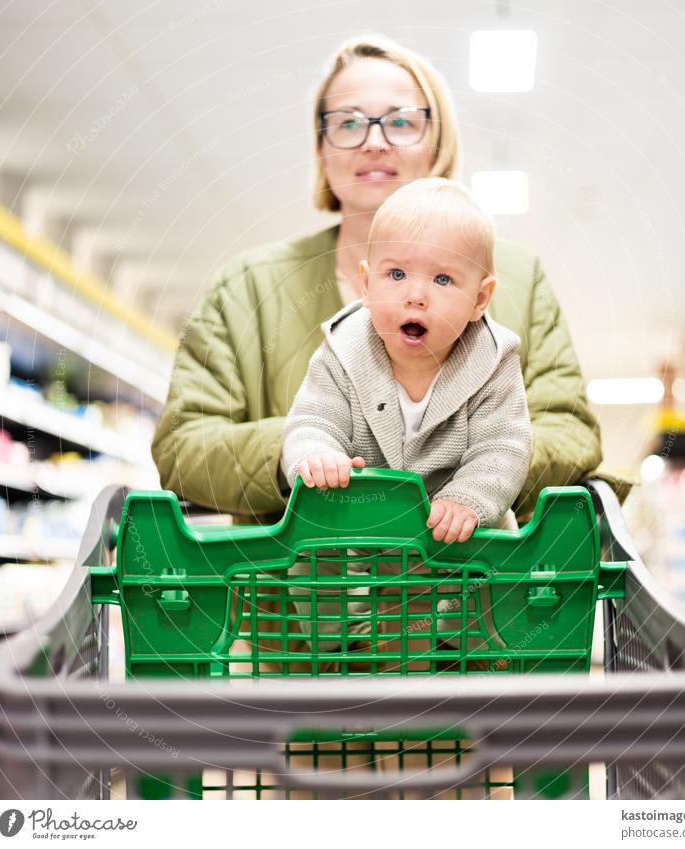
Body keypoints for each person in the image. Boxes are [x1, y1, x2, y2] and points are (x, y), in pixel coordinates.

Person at [151, 33, 620, 526]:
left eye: (400, 121)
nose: (374, 140)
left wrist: (473, 476)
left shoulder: (519, 279)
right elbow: (182, 447)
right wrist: (308, 447)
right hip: (291, 599)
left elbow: (570, 433)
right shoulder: (245, 289)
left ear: (437, 143)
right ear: (321, 147)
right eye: (348, 122)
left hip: (471, 591)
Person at [281, 177, 531, 651]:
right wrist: (315, 456)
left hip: (455, 536)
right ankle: (340, 651)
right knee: (312, 540)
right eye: (396, 275)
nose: (416, 295)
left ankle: (470, 650)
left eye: (442, 279)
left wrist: (470, 500)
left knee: (498, 548)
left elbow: (505, 446)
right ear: (366, 281)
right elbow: (312, 420)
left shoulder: (493, 360)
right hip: (366, 538)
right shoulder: (342, 351)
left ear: (480, 298)